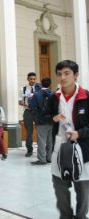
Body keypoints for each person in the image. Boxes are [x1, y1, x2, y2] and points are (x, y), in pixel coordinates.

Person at [47, 60, 89, 219]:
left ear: (76, 75)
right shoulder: (53, 98)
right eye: (59, 74)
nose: (62, 77)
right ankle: (65, 216)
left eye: (66, 73)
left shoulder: (86, 97)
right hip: (60, 147)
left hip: (83, 149)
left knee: (83, 188)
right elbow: (43, 116)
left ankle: (81, 216)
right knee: (59, 186)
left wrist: (80, 133)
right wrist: (54, 118)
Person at [29, 77, 53, 165]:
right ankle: (49, 158)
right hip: (52, 120)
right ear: (50, 84)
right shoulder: (53, 93)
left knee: (41, 140)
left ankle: (42, 160)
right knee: (50, 140)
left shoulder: (37, 94)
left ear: (41, 84)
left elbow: (31, 106)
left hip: (41, 120)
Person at [19, 72, 41, 157]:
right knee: (29, 131)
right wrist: (26, 105)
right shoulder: (23, 89)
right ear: (28, 79)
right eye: (31, 79)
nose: (33, 80)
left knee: (39, 130)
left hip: (37, 112)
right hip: (28, 111)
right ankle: (29, 150)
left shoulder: (39, 88)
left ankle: (41, 149)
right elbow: (20, 101)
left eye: (34, 79)